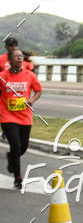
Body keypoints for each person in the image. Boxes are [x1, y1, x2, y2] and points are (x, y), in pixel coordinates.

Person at [0, 49, 42, 189]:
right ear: (10, 60)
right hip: (7, 116)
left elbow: (38, 90)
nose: (19, 58)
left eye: (21, 56)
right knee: (16, 144)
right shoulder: (3, 76)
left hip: (25, 116)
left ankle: (11, 157)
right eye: (16, 56)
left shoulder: (29, 75)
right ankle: (18, 178)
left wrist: (32, 100)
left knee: (22, 147)